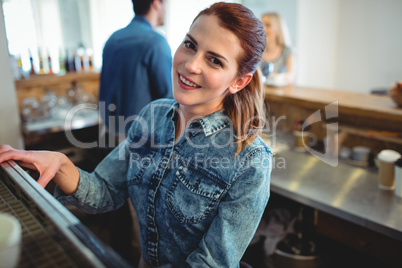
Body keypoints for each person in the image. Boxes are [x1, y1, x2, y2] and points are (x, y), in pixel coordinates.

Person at [0, 2, 272, 267]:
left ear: (239, 81)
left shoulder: (250, 160)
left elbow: (211, 262)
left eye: (214, 61)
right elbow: (104, 190)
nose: (191, 65)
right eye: (190, 44)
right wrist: (61, 163)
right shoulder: (152, 116)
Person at [99, 0, 173, 137]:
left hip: (111, 136)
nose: (166, 10)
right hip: (142, 140)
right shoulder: (155, 42)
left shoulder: (113, 39)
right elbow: (169, 100)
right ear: (156, 3)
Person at [260, 12, 295, 86]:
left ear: (278, 29)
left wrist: (276, 77)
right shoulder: (257, 50)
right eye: (261, 24)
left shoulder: (287, 51)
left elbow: (290, 77)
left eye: (268, 25)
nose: (263, 28)